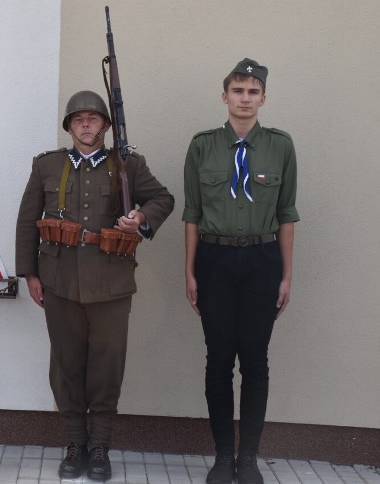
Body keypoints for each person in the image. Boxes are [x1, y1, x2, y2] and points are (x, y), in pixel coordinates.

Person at [16, 90, 174, 481]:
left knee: (106, 366)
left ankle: (100, 446)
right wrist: (31, 274)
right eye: (78, 118)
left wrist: (140, 217)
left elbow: (162, 199)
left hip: (111, 283)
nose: (86, 124)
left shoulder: (128, 165)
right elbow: (26, 221)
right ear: (69, 126)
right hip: (59, 281)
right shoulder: (46, 166)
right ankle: (74, 444)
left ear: (105, 124)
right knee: (66, 365)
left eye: (93, 118)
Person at [183, 59, 298, 484]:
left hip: (261, 261)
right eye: (238, 90)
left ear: (263, 98)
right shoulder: (202, 146)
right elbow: (192, 213)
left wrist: (286, 274)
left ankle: (248, 458)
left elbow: (286, 214)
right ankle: (222, 456)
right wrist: (190, 271)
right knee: (218, 361)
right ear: (225, 96)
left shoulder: (281, 146)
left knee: (255, 359)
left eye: (253, 91)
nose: (245, 98)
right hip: (214, 260)